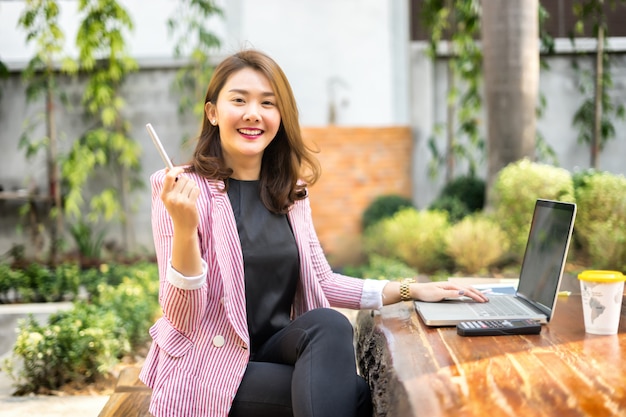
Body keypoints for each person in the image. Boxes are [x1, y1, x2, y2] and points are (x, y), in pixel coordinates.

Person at [139, 49, 488, 417]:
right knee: (351, 393)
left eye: (267, 103)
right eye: (238, 100)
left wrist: (410, 289)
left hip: (273, 352)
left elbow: (322, 280)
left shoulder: (289, 191)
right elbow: (182, 317)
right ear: (212, 112)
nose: (253, 113)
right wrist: (184, 227)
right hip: (206, 365)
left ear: (281, 116)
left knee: (328, 324)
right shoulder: (177, 188)